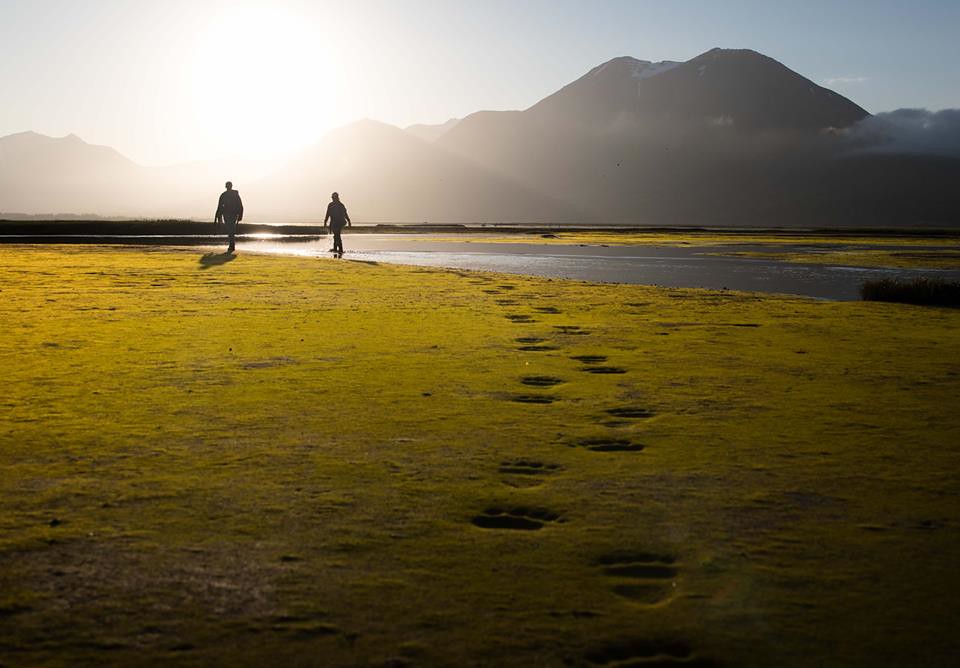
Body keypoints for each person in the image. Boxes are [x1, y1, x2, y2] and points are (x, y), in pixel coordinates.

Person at [214, 181, 244, 253]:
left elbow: (240, 205)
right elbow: (220, 206)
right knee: (231, 229)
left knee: (231, 229)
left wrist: (240, 215)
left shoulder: (227, 195)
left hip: (230, 214)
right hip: (229, 214)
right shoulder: (226, 195)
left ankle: (231, 245)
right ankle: (232, 244)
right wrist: (217, 217)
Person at [323, 192, 351, 256]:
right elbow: (328, 214)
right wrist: (325, 221)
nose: (333, 199)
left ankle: (340, 249)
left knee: (337, 235)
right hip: (334, 223)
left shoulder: (340, 205)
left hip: (339, 223)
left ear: (336, 197)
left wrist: (349, 221)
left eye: (334, 197)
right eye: (332, 197)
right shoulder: (331, 205)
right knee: (336, 236)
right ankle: (336, 249)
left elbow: (345, 213)